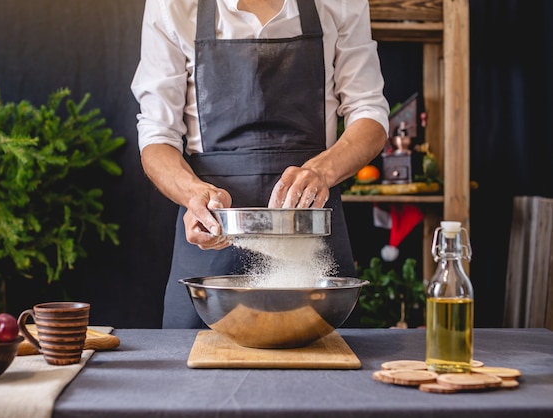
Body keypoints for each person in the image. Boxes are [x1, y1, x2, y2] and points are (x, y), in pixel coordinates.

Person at [131, 0, 390, 328]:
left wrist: (322, 171)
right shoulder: (173, 6)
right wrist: (192, 193)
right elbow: (157, 137)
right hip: (210, 240)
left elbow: (369, 114)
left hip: (309, 245)